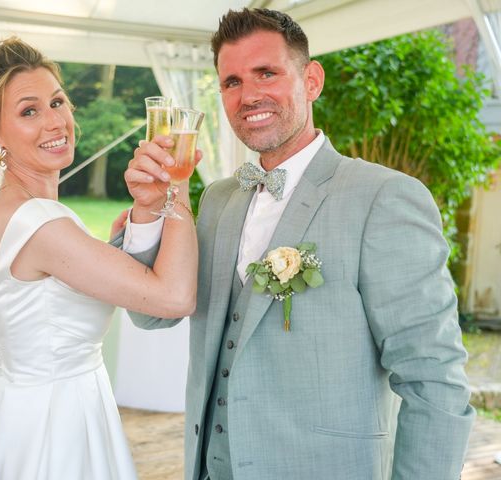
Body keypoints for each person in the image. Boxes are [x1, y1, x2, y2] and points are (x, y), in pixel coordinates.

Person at [120, 8, 475, 480]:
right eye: (231, 82)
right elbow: (151, 312)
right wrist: (147, 210)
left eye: (266, 73)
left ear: (311, 80)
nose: (249, 95)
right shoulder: (220, 198)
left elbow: (434, 379)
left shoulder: (385, 198)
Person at [0, 36, 197, 480]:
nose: (54, 121)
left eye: (58, 102)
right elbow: (173, 297)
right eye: (28, 111)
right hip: (51, 426)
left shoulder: (25, 214)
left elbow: (79, 282)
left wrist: (147, 209)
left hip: (44, 406)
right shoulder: (39, 224)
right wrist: (179, 184)